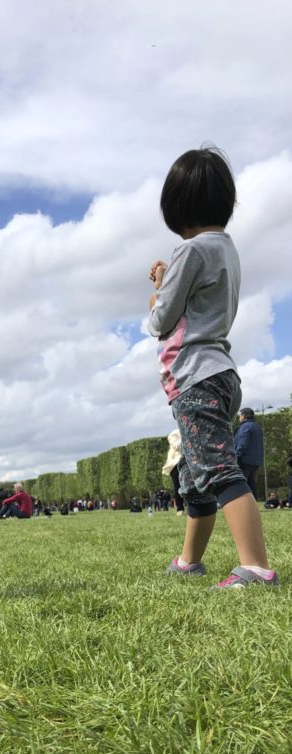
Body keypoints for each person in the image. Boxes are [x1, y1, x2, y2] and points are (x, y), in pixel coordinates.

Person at [148, 147, 277, 588]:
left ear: (176, 204)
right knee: (195, 475)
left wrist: (158, 294)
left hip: (196, 375)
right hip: (221, 372)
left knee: (217, 470)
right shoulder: (226, 249)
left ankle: (256, 566)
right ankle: (188, 560)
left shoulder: (189, 249)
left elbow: (161, 320)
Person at [233, 408, 264, 499]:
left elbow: (243, 443)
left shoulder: (245, 427)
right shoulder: (257, 426)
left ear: (244, 416)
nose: (239, 417)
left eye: (240, 415)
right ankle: (254, 500)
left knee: (240, 481)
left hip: (245, 459)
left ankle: (241, 501)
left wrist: (237, 456)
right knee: (251, 482)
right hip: (256, 460)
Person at [162, 428, 185, 514]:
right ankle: (180, 508)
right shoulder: (174, 434)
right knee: (177, 486)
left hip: (189, 461)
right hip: (176, 463)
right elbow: (176, 446)